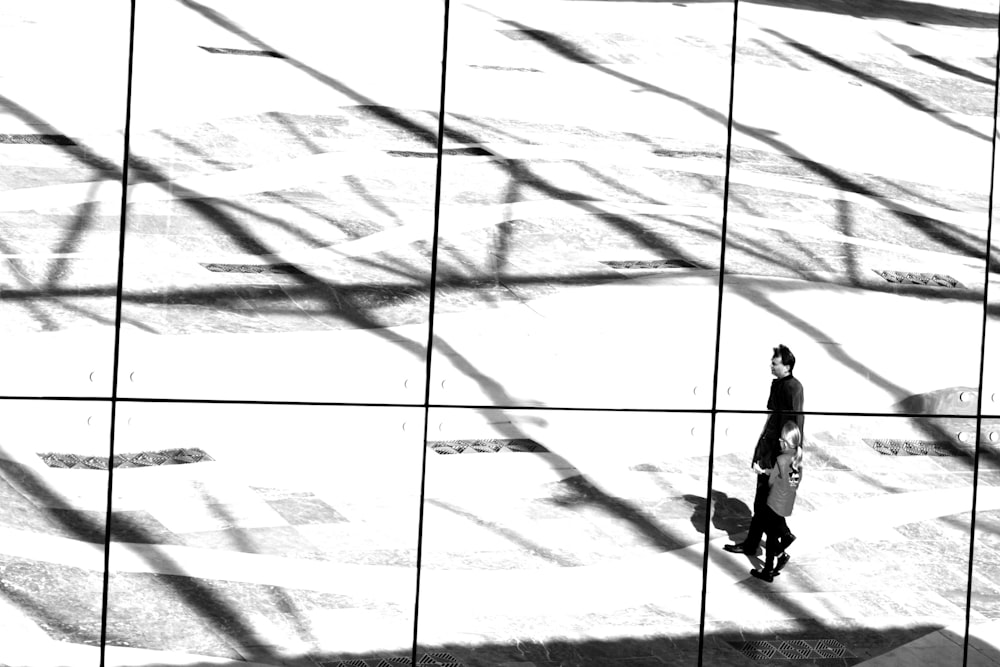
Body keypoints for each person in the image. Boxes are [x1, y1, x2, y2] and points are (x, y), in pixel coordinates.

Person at [724, 344, 804, 557]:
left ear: (787, 366)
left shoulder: (793, 388)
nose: (771, 365)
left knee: (766, 503)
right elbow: (770, 418)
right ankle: (758, 543)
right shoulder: (777, 385)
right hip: (769, 450)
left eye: (775, 362)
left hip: (780, 454)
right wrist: (760, 448)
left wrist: (786, 459)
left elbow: (795, 425)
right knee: (761, 501)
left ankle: (781, 539)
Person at [750, 421, 803, 582]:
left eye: (781, 440)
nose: (779, 442)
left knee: (770, 534)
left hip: (775, 501)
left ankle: (770, 567)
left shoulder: (781, 459)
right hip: (787, 502)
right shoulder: (797, 457)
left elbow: (772, 481)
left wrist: (762, 471)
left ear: (786, 442)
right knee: (772, 524)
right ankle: (786, 536)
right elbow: (791, 478)